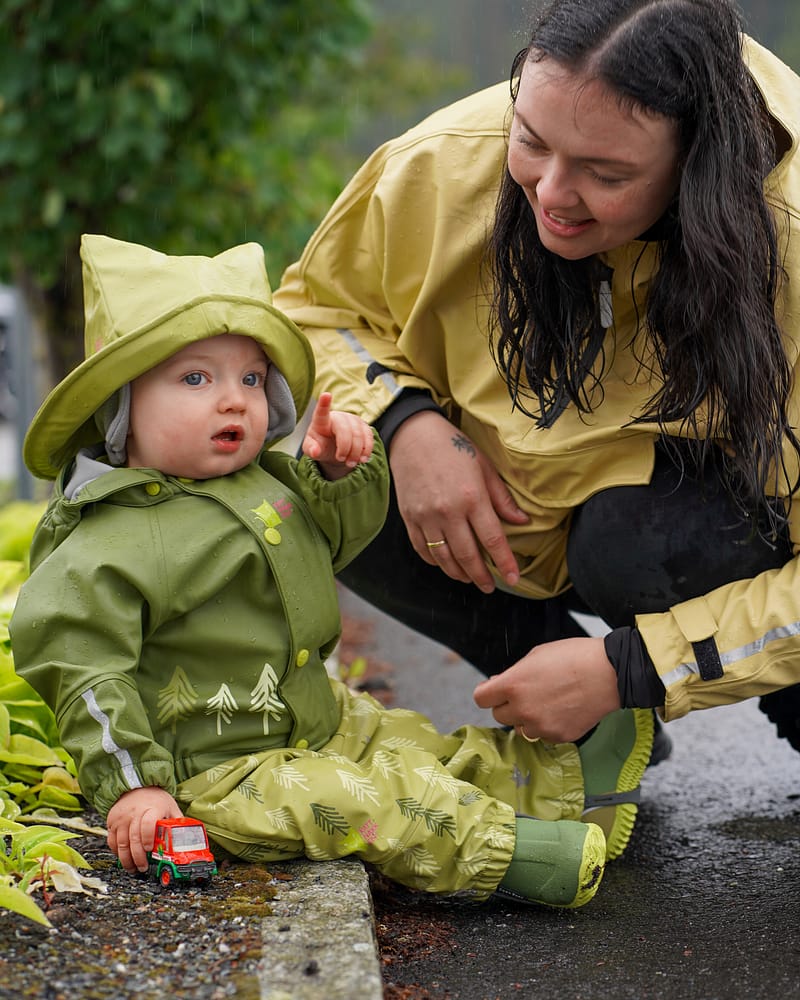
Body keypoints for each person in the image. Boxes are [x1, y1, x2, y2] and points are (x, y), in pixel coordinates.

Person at [9, 234, 656, 910]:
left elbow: (335, 545)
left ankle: (568, 786)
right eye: (196, 379)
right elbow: (84, 671)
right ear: (121, 404)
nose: (234, 400)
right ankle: (511, 855)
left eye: (251, 379)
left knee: (416, 747)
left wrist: (339, 476)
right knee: (368, 803)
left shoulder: (262, 482)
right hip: (221, 775)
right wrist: (136, 785)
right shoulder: (104, 542)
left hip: (316, 716)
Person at [273, 0, 800, 753]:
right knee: (335, 484)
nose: (551, 193)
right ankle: (591, 730)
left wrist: (638, 666)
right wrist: (402, 421)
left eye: (606, 174)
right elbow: (317, 307)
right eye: (530, 142)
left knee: (634, 543)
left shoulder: (790, 240)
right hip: (521, 511)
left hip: (709, 525)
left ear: (697, 167)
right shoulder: (448, 158)